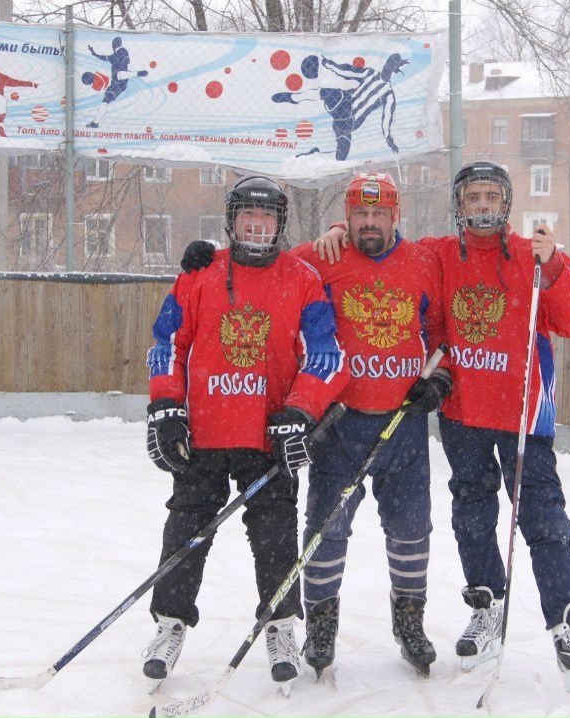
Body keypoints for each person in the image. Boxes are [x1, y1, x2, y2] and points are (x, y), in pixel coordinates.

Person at [312, 161, 570, 694]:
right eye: (472, 196)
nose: (481, 204)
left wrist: (553, 269)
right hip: (463, 414)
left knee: (543, 518)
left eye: (490, 196)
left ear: (505, 202)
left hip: (523, 415)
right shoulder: (437, 253)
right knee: (472, 516)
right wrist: (345, 232)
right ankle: (486, 608)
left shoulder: (534, 254)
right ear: (460, 204)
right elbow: (387, 245)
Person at [180, 172, 448, 679]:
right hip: (339, 424)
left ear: (396, 215)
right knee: (326, 529)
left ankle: (410, 619)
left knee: (412, 529)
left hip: (402, 424)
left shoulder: (423, 262)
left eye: (380, 214)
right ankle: (322, 624)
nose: (370, 223)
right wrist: (208, 256)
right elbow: (258, 260)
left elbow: (441, 334)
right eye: (360, 214)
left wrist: (440, 378)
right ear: (346, 218)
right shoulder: (319, 257)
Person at [142, 176, 347, 696]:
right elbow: (168, 340)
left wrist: (298, 413)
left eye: (267, 218)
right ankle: (170, 623)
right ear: (231, 221)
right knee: (186, 528)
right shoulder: (200, 272)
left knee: (276, 535)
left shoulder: (301, 279)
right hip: (205, 433)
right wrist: (166, 406)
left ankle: (280, 627)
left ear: (280, 224)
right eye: (247, 218)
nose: (257, 227)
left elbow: (328, 356)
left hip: (266, 436)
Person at [271, 54, 408, 161]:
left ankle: (317, 155)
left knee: (341, 154)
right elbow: (348, 71)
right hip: (344, 102)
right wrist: (329, 64)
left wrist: (389, 139)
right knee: (329, 93)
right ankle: (293, 98)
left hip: (351, 120)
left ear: (394, 69)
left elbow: (388, 117)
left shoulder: (389, 94)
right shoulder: (370, 73)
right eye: (387, 62)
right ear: (385, 63)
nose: (387, 67)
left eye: (391, 65)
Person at [84, 37, 149, 129]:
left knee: (119, 75)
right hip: (116, 84)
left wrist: (94, 54)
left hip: (120, 81)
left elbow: (123, 62)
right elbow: (104, 57)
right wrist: (94, 54)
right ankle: (96, 122)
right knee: (105, 101)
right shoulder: (114, 56)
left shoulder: (119, 53)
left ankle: (137, 73)